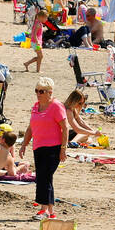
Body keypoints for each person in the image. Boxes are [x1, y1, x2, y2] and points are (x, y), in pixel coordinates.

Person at [20, 77, 66, 219]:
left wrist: (63, 148)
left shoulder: (56, 106)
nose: (38, 94)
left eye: (41, 91)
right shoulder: (36, 106)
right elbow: (31, 127)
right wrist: (24, 144)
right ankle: (51, 212)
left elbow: (65, 128)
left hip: (53, 148)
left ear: (49, 92)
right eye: (36, 91)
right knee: (44, 177)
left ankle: (44, 209)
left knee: (44, 177)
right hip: (38, 147)